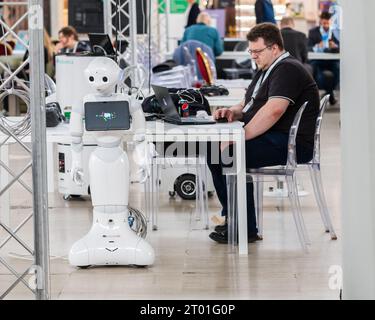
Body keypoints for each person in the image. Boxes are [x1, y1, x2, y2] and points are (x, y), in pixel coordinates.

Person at [207, 23, 320, 244]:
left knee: (228, 154)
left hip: (290, 143)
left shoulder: (287, 69)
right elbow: (249, 102)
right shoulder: (268, 69)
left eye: (257, 51)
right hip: (276, 138)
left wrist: (241, 135)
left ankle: (243, 227)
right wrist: (233, 111)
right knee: (216, 152)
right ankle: (234, 219)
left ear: (275, 48)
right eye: (251, 51)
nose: (253, 56)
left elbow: (274, 110)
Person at [308, 12, 340, 105]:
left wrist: (335, 46)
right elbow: (308, 47)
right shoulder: (313, 32)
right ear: (320, 22)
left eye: (328, 23)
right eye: (324, 23)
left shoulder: (335, 32)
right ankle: (328, 95)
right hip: (318, 60)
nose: (326, 25)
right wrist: (317, 46)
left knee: (338, 68)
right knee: (313, 68)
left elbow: (341, 46)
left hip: (332, 60)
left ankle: (328, 93)